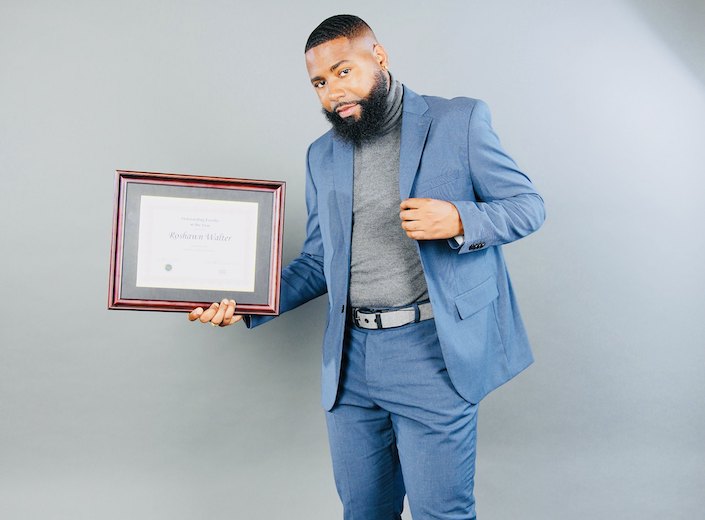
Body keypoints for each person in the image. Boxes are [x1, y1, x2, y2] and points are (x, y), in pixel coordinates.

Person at [189, 14, 544, 520]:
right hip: (350, 363)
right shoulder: (321, 156)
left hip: (433, 355)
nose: (333, 91)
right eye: (319, 82)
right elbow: (317, 263)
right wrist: (246, 302)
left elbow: (528, 205)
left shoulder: (458, 121)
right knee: (364, 512)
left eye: (343, 71)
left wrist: (459, 218)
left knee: (441, 513)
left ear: (378, 57)